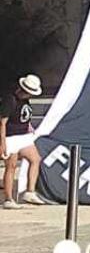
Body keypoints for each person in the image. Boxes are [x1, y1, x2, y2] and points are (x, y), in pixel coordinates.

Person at [1, 75, 46, 208]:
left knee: (35, 159)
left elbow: (25, 116)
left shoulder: (25, 101)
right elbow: (2, 122)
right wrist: (2, 142)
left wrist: (30, 128)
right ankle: (8, 199)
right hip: (10, 136)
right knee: (11, 166)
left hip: (23, 135)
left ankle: (30, 191)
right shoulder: (10, 100)